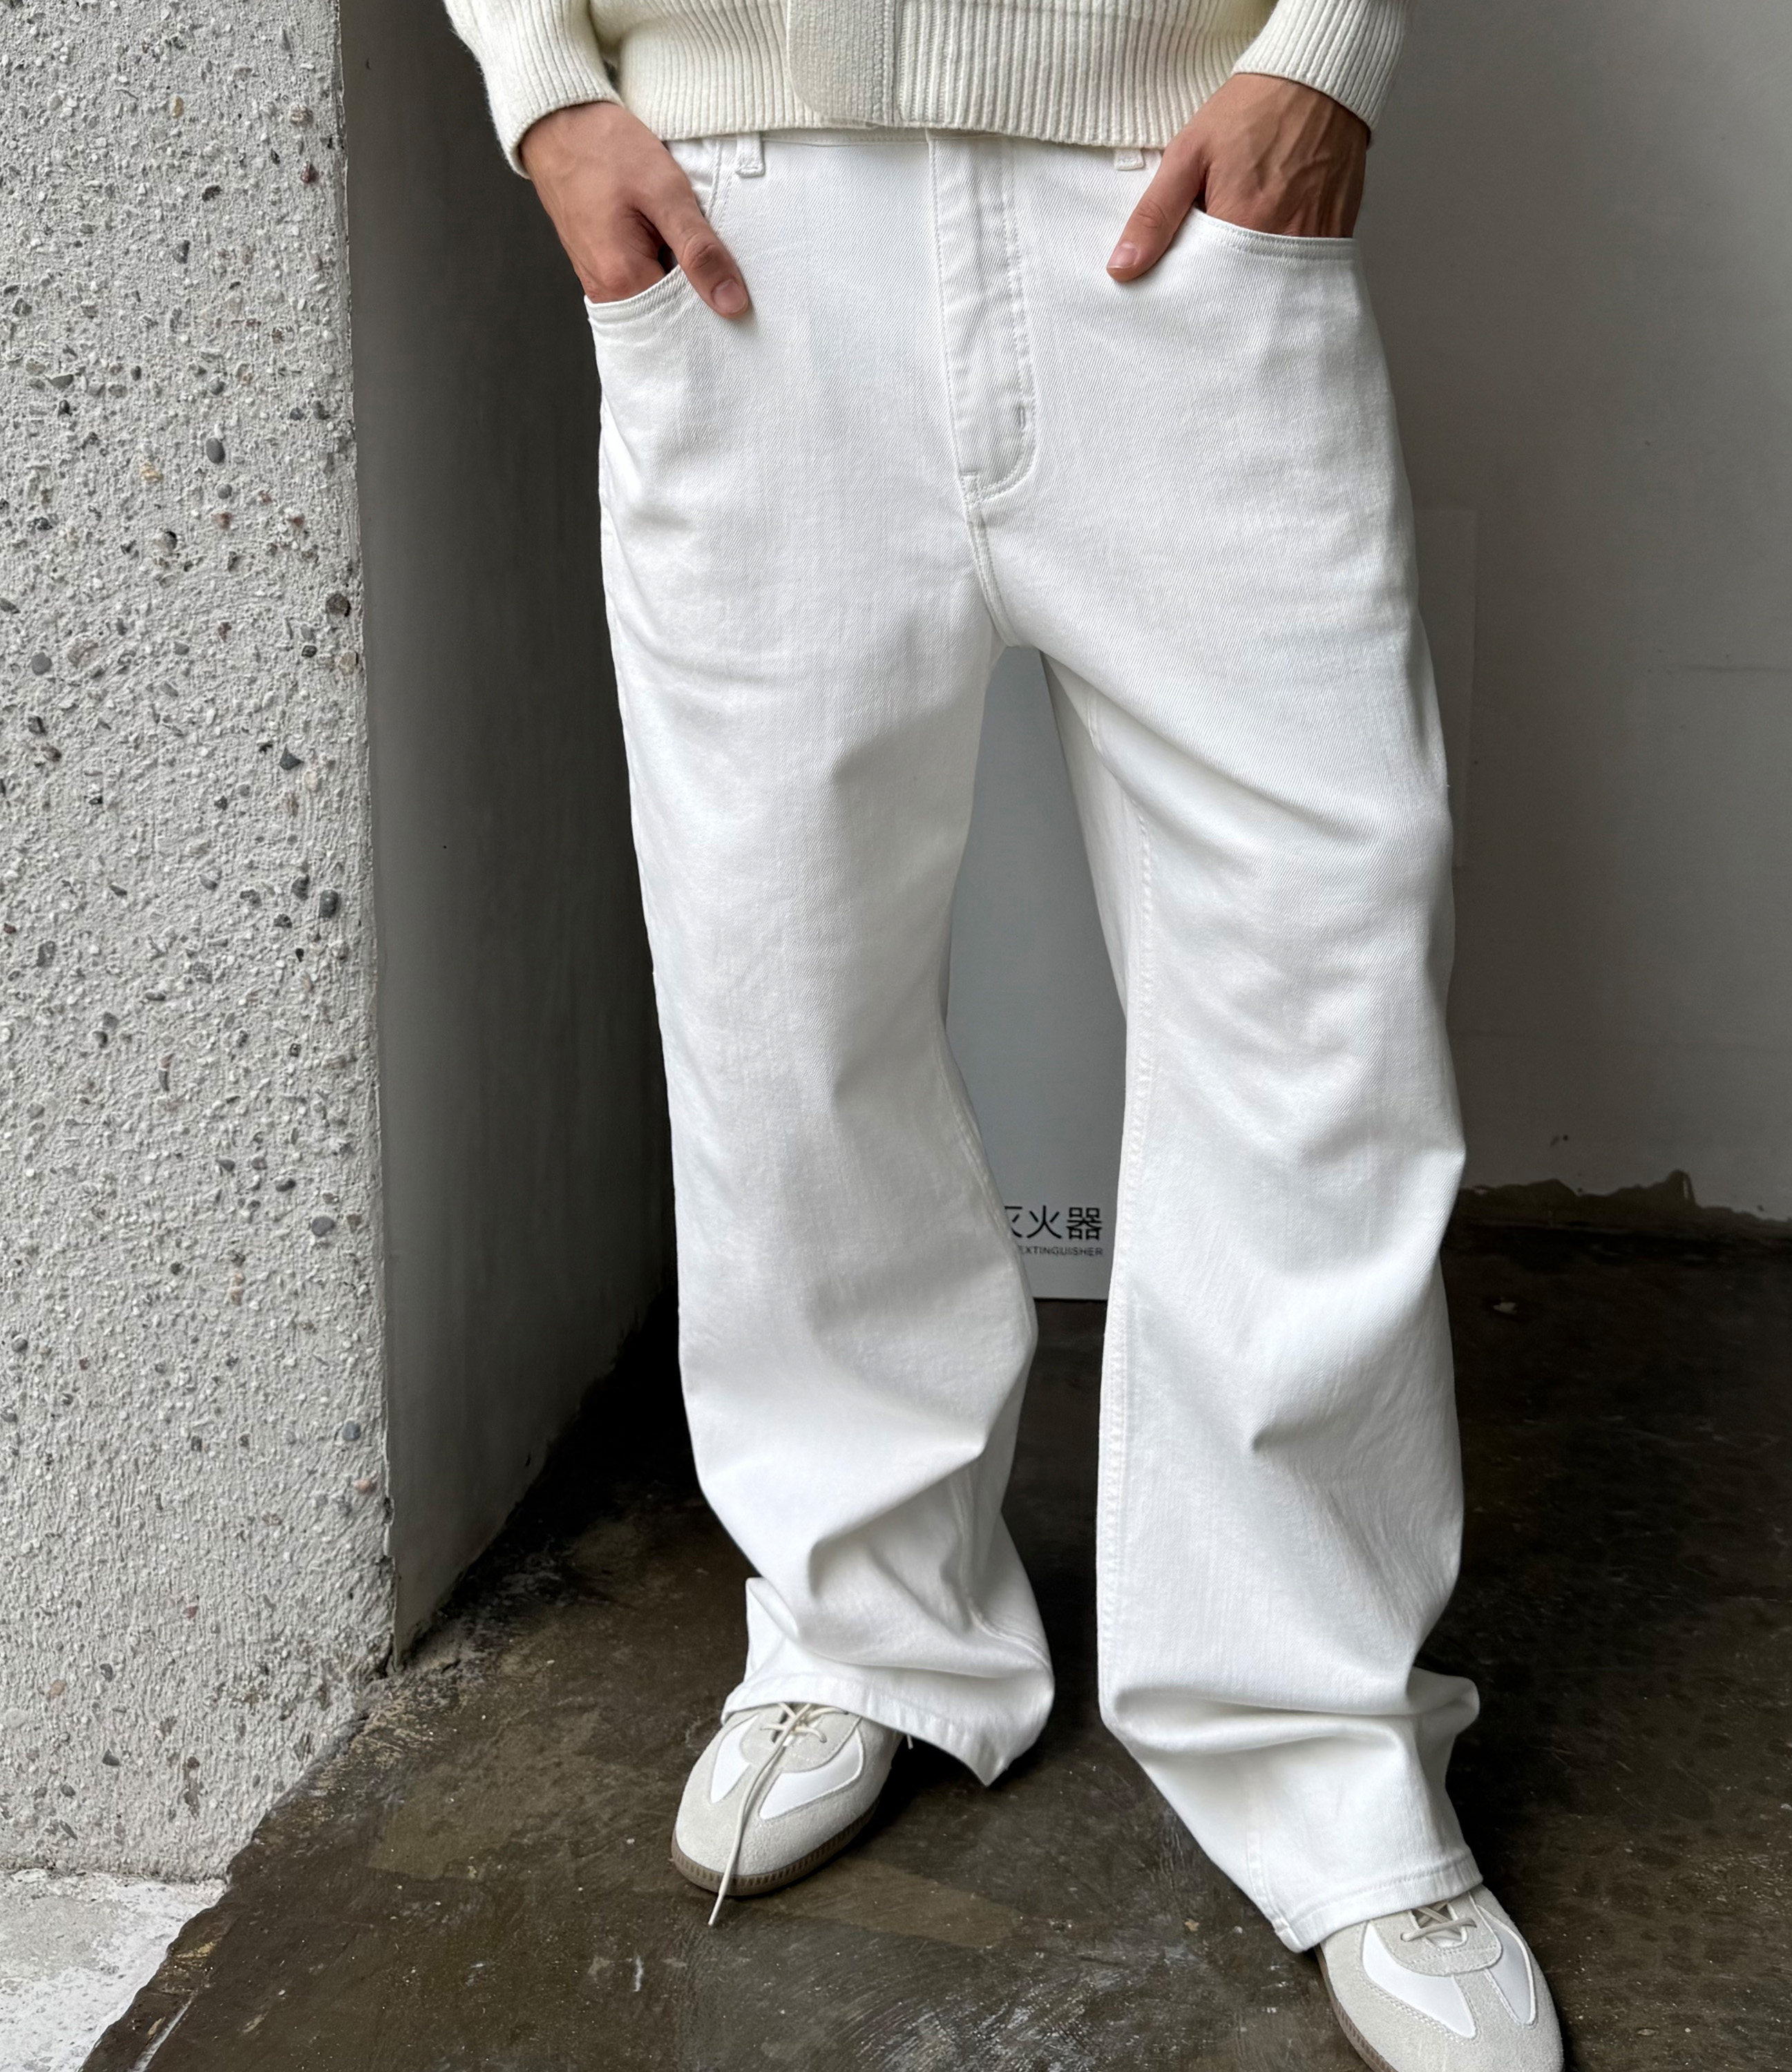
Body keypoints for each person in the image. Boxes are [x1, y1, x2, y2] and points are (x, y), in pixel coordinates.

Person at [444, 1, 1563, 2062]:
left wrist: (1331, 51)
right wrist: (548, 97)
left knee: (1321, 969)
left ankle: (1318, 1729)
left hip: (1177, 193)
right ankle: (862, 1621)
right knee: (779, 981)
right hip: (742, 217)